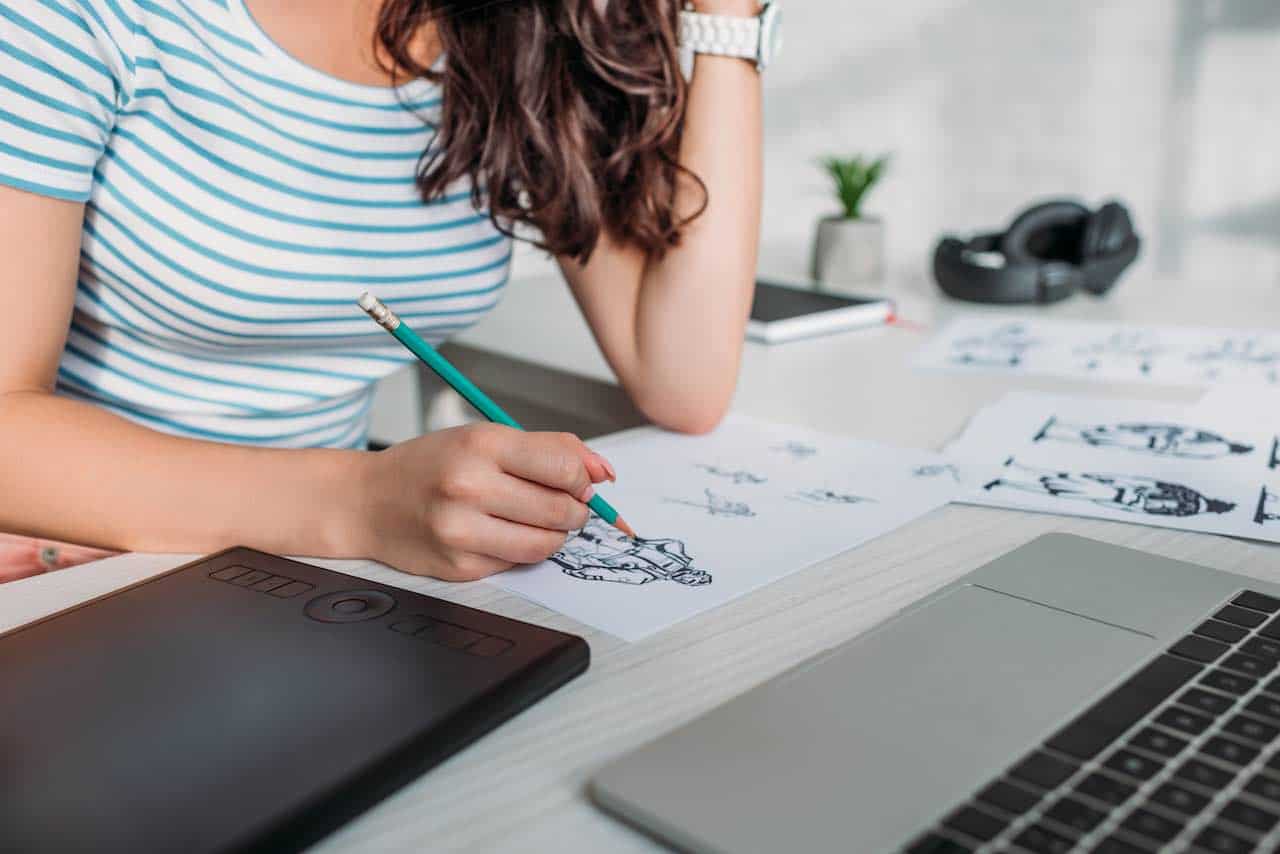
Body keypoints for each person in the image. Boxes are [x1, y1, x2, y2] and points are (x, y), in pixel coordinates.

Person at [0, 0, 764, 581]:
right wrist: (361, 502)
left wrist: (729, 21)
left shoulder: (524, 33)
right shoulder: (77, 18)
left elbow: (684, 377)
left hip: (314, 582)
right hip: (81, 568)